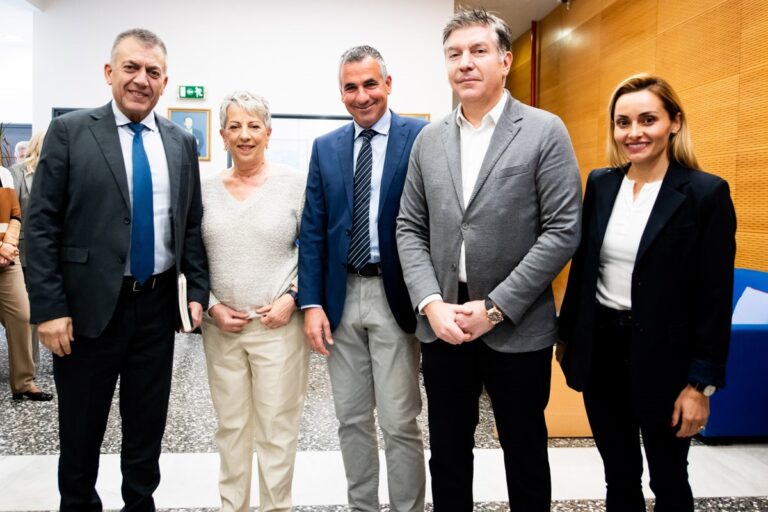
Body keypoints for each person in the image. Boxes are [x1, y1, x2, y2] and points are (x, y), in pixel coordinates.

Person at [396, 8, 582, 511]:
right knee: (448, 455)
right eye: (454, 54)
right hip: (444, 324)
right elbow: (409, 226)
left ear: (505, 60)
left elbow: (563, 230)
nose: (465, 63)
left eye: (478, 51)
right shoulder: (429, 139)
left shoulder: (544, 130)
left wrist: (496, 308)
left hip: (517, 326)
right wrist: (430, 302)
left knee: (525, 454)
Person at [25, 28, 209, 511]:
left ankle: (139, 504)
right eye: (131, 68)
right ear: (109, 72)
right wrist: (49, 309)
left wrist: (197, 292)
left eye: (152, 71)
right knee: (81, 431)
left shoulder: (180, 142)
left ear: (165, 81)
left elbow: (190, 224)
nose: (141, 79)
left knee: (147, 429)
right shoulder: (71, 132)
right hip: (86, 313)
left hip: (156, 310)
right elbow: (40, 226)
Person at [558, 73, 736, 512]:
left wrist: (700, 385)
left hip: (667, 362)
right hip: (603, 354)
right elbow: (584, 268)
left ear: (674, 122)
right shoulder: (601, 184)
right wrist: (568, 337)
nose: (633, 133)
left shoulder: (705, 194)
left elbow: (714, 298)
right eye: (623, 122)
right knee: (618, 475)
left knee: (669, 477)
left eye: (647, 119)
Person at [299, 45, 427, 511]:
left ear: (388, 84)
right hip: (339, 298)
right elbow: (313, 229)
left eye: (370, 84)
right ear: (341, 93)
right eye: (350, 87)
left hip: (395, 296)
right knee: (351, 419)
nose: (361, 95)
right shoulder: (325, 147)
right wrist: (311, 302)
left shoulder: (421, 138)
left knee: (398, 421)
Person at [201, 90, 309, 512]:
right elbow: (190, 255)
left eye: (253, 125)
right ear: (222, 135)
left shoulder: (294, 185)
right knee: (231, 429)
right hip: (221, 330)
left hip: (277, 328)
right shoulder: (205, 189)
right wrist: (211, 304)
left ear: (268, 132)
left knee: (276, 431)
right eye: (235, 126)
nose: (244, 135)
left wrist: (293, 297)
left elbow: (315, 250)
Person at [0, 164, 51, 401]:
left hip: (8, 259)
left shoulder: (4, 174)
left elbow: (15, 214)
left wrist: (8, 245)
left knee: (24, 315)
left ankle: (23, 382)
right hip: (3, 252)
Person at [10, 131, 46, 367]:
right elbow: (9, 213)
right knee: (26, 313)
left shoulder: (66, 171)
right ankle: (29, 367)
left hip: (52, 253)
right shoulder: (17, 173)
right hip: (22, 252)